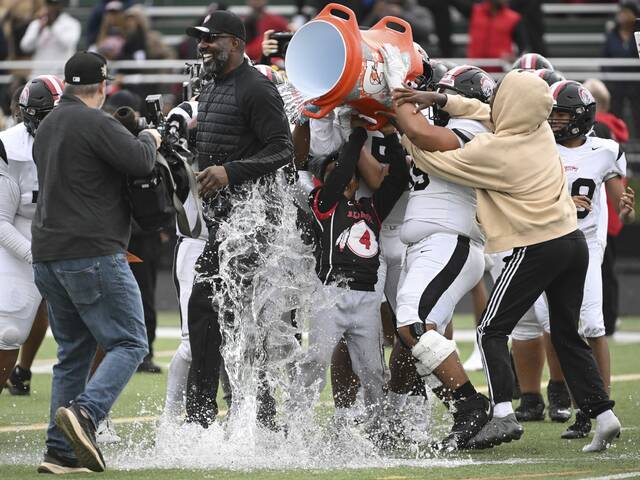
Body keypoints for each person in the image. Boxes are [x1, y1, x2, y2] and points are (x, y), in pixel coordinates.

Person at [385, 45, 620, 453]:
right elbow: (482, 112)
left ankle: (500, 414)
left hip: (536, 244)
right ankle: (603, 414)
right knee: (565, 333)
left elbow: (429, 147)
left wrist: (399, 105)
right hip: (572, 242)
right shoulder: (539, 130)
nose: (495, 103)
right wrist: (437, 98)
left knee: (491, 328)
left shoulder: (496, 149)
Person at [31, 51, 161, 474]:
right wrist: (150, 137)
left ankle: (60, 452)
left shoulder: (48, 124)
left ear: (67, 84)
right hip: (91, 250)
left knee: (73, 352)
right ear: (103, 85)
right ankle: (87, 413)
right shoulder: (96, 120)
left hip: (48, 253)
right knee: (130, 342)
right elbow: (141, 161)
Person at [183, 10, 293, 428]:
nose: (203, 45)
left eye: (210, 39)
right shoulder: (211, 87)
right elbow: (220, 138)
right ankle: (239, 415)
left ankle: (215, 416)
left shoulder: (257, 87)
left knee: (225, 311)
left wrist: (230, 171)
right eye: (201, 39)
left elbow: (283, 149)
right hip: (225, 222)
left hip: (253, 221)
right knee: (218, 312)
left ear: (235, 42)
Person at [386, 62, 496, 449]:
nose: (441, 100)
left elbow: (419, 131)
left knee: (412, 324)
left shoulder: (477, 130)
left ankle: (470, 408)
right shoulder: (448, 126)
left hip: (451, 241)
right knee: (409, 344)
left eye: (450, 94)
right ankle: (396, 422)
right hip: (428, 245)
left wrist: (392, 84)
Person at [298, 121, 408, 437]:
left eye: (345, 172)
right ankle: (298, 427)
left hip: (366, 299)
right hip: (331, 296)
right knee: (316, 362)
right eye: (334, 172)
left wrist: (390, 134)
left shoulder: (371, 209)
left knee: (373, 370)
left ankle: (378, 428)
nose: (342, 176)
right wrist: (357, 135)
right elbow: (341, 174)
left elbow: (398, 179)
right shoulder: (323, 204)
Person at [0, 74, 63, 395]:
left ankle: (91, 413)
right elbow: (0, 221)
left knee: (104, 329)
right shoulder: (10, 147)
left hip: (72, 240)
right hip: (21, 241)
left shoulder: (82, 136)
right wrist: (35, 255)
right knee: (9, 330)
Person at [603, 0, 640, 138]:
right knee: (615, 113)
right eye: (621, 13)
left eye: (626, 12)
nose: (623, 16)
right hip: (616, 83)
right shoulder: (611, 35)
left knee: (638, 114)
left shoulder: (638, 33)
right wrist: (609, 77)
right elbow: (604, 58)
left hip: (636, 84)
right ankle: (616, 142)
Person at [19, 0, 81, 77]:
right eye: (49, 4)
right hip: (40, 74)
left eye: (54, 5)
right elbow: (25, 46)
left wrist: (53, 26)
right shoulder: (37, 23)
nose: (51, 8)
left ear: (60, 6)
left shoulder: (71, 23)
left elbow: (69, 43)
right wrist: (39, 29)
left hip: (61, 75)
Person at [466, 0, 528, 71]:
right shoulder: (474, 11)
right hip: (475, 68)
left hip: (500, 69)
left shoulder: (514, 18)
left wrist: (514, 57)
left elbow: (522, 45)